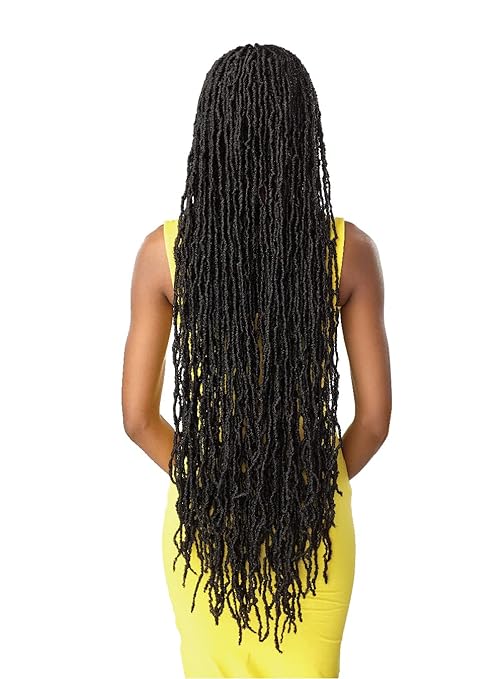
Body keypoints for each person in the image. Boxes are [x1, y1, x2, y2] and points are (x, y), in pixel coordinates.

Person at [122, 42, 391, 678]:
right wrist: (307, 486)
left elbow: (138, 419)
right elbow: (375, 420)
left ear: (210, 135)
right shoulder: (348, 252)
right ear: (303, 135)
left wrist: (214, 485)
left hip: (205, 531)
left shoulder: (165, 254)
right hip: (312, 528)